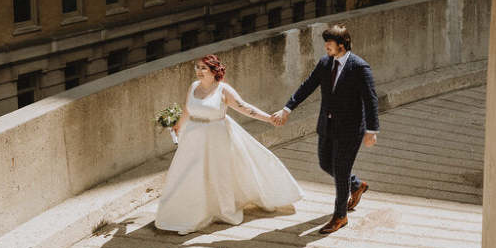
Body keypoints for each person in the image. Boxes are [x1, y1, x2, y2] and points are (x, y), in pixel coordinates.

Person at [155, 54, 302, 235]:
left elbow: (245, 107)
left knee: (218, 173)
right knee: (190, 175)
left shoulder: (223, 90)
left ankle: (224, 210)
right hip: (193, 138)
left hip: (216, 137)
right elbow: (187, 109)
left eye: (203, 68)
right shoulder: (193, 87)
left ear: (214, 70)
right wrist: (178, 125)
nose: (199, 71)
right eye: (197, 67)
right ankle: (190, 215)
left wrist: (268, 119)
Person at [273, 24, 379, 235]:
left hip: (349, 129)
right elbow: (307, 86)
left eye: (329, 43)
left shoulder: (359, 68)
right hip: (327, 125)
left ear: (342, 45)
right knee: (325, 163)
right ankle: (356, 185)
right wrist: (287, 109)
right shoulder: (325, 63)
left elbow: (371, 99)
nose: (326, 47)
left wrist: (372, 130)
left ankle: (340, 216)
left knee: (341, 170)